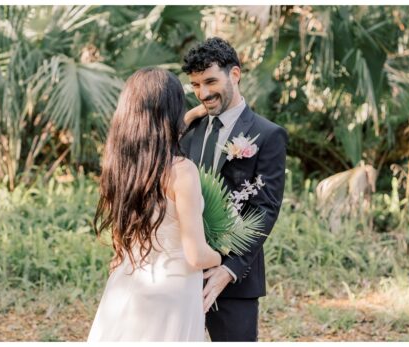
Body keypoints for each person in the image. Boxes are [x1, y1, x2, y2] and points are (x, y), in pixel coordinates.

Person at [88, 67, 223, 341]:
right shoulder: (182, 171)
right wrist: (221, 256)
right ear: (172, 111)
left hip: (126, 283)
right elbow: (196, 255)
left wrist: (197, 113)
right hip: (172, 293)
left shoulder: (122, 165)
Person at [179, 37, 288, 341]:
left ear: (235, 74)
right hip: (182, 271)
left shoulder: (268, 135)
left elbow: (265, 209)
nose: (203, 93)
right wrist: (187, 117)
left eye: (211, 81)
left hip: (235, 279)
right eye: (196, 85)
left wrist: (230, 269)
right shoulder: (189, 128)